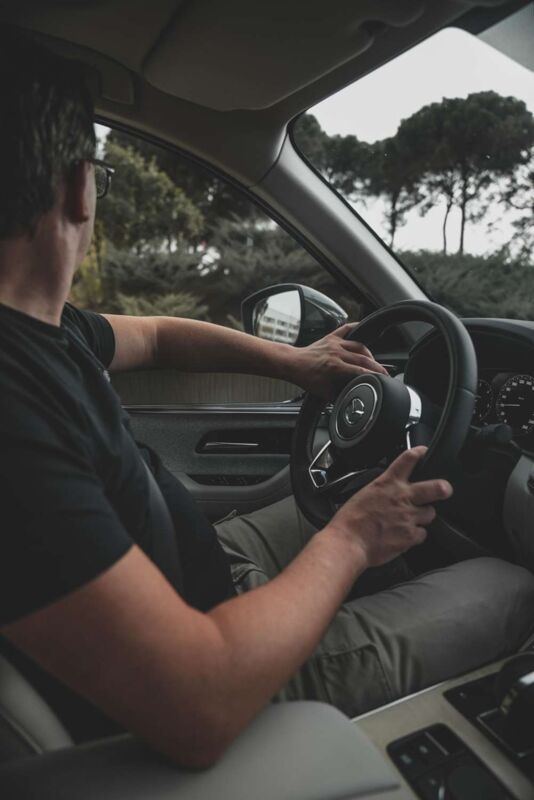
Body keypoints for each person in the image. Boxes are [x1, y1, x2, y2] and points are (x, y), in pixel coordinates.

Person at [0, 29, 533, 768]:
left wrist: (298, 364)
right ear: (76, 188)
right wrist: (353, 539)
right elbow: (198, 698)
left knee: (358, 502)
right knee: (511, 584)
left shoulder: (41, 331)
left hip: (205, 568)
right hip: (235, 673)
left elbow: (155, 334)